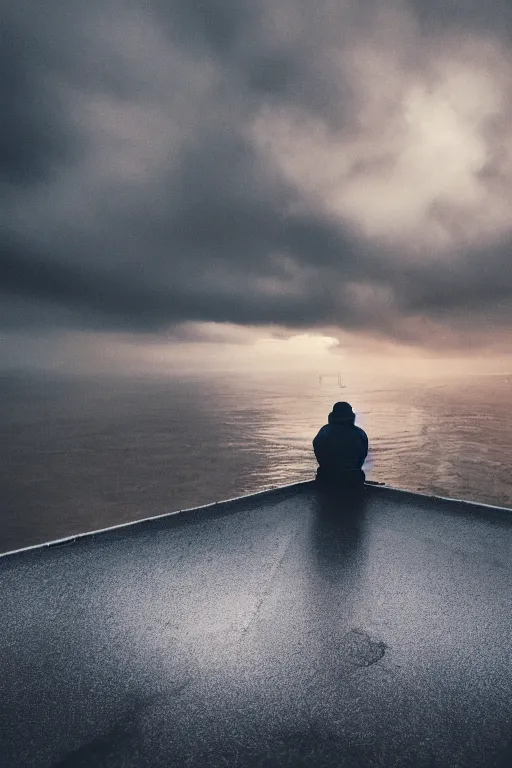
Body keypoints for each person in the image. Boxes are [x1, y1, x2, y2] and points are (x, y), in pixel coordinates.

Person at [313, 401, 368, 489]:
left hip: (326, 480)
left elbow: (319, 453)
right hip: (354, 481)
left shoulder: (324, 432)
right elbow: (361, 458)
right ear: (352, 417)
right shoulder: (360, 434)